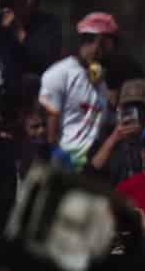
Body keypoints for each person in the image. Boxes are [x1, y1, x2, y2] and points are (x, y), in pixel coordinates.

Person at [38, 11, 120, 168]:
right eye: (109, 45)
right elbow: (49, 131)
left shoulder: (103, 82)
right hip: (63, 163)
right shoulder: (59, 74)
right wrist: (57, 160)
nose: (110, 52)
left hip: (92, 165)